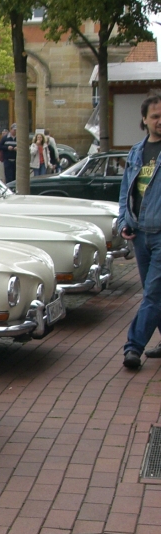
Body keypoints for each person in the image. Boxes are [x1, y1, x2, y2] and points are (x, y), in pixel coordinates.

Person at [118, 93, 161, 369]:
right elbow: (126, 192)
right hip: (139, 233)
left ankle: (133, 347)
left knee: (153, 294)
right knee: (154, 292)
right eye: (155, 116)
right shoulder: (136, 152)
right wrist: (124, 221)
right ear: (144, 119)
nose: (160, 121)